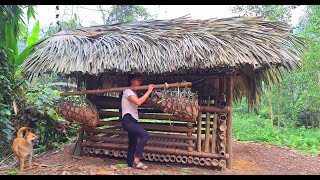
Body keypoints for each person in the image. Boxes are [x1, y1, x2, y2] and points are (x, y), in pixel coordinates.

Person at [121, 74, 154, 170]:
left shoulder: (134, 94)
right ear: (132, 81)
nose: (140, 82)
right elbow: (138, 102)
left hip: (133, 121)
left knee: (133, 143)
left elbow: (141, 101)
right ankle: (137, 160)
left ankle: (129, 165)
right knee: (144, 134)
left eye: (140, 80)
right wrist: (149, 91)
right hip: (128, 121)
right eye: (138, 80)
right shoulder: (127, 91)